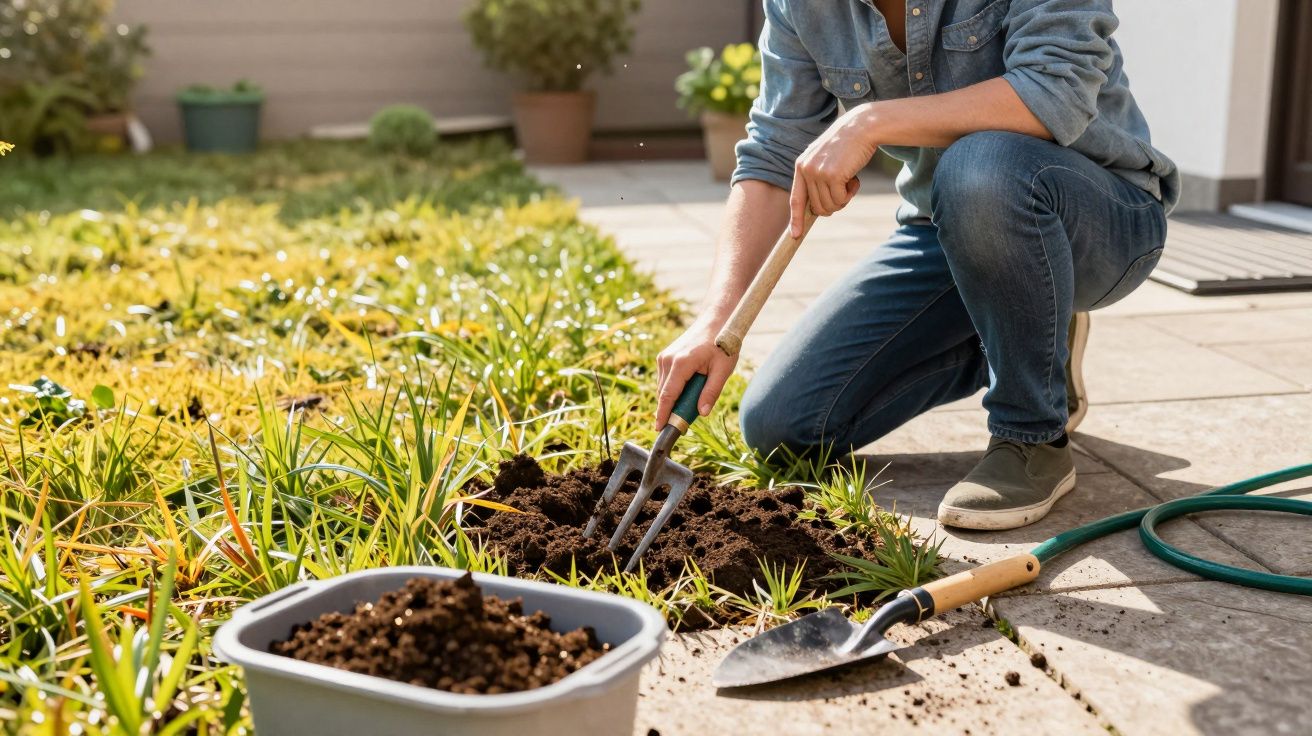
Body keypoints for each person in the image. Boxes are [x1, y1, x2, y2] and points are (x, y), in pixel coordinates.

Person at [653, 0, 1178, 531]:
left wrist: (868, 122)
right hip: (942, 227)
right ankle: (1031, 330)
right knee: (785, 426)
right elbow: (772, 154)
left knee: (980, 165)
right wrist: (715, 322)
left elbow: (1054, 91)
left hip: (1101, 219)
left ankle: (1032, 436)